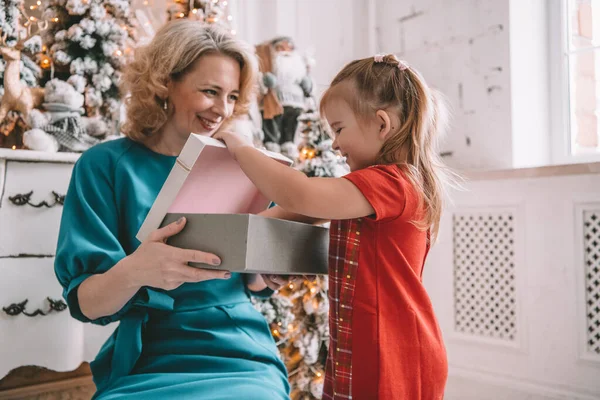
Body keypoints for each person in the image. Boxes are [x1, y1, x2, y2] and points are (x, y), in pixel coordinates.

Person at [54, 20, 291, 400]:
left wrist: (268, 271)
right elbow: (85, 302)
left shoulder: (246, 165)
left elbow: (253, 282)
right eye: (210, 91)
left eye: (231, 96)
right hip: (146, 353)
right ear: (165, 83)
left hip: (238, 350)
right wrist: (136, 270)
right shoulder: (104, 166)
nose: (221, 109)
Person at [217, 54, 454, 399]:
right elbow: (291, 215)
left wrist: (242, 149)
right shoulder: (367, 191)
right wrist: (238, 243)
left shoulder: (392, 183)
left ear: (382, 125)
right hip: (363, 344)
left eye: (339, 129)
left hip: (392, 352)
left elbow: (300, 195)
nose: (334, 144)